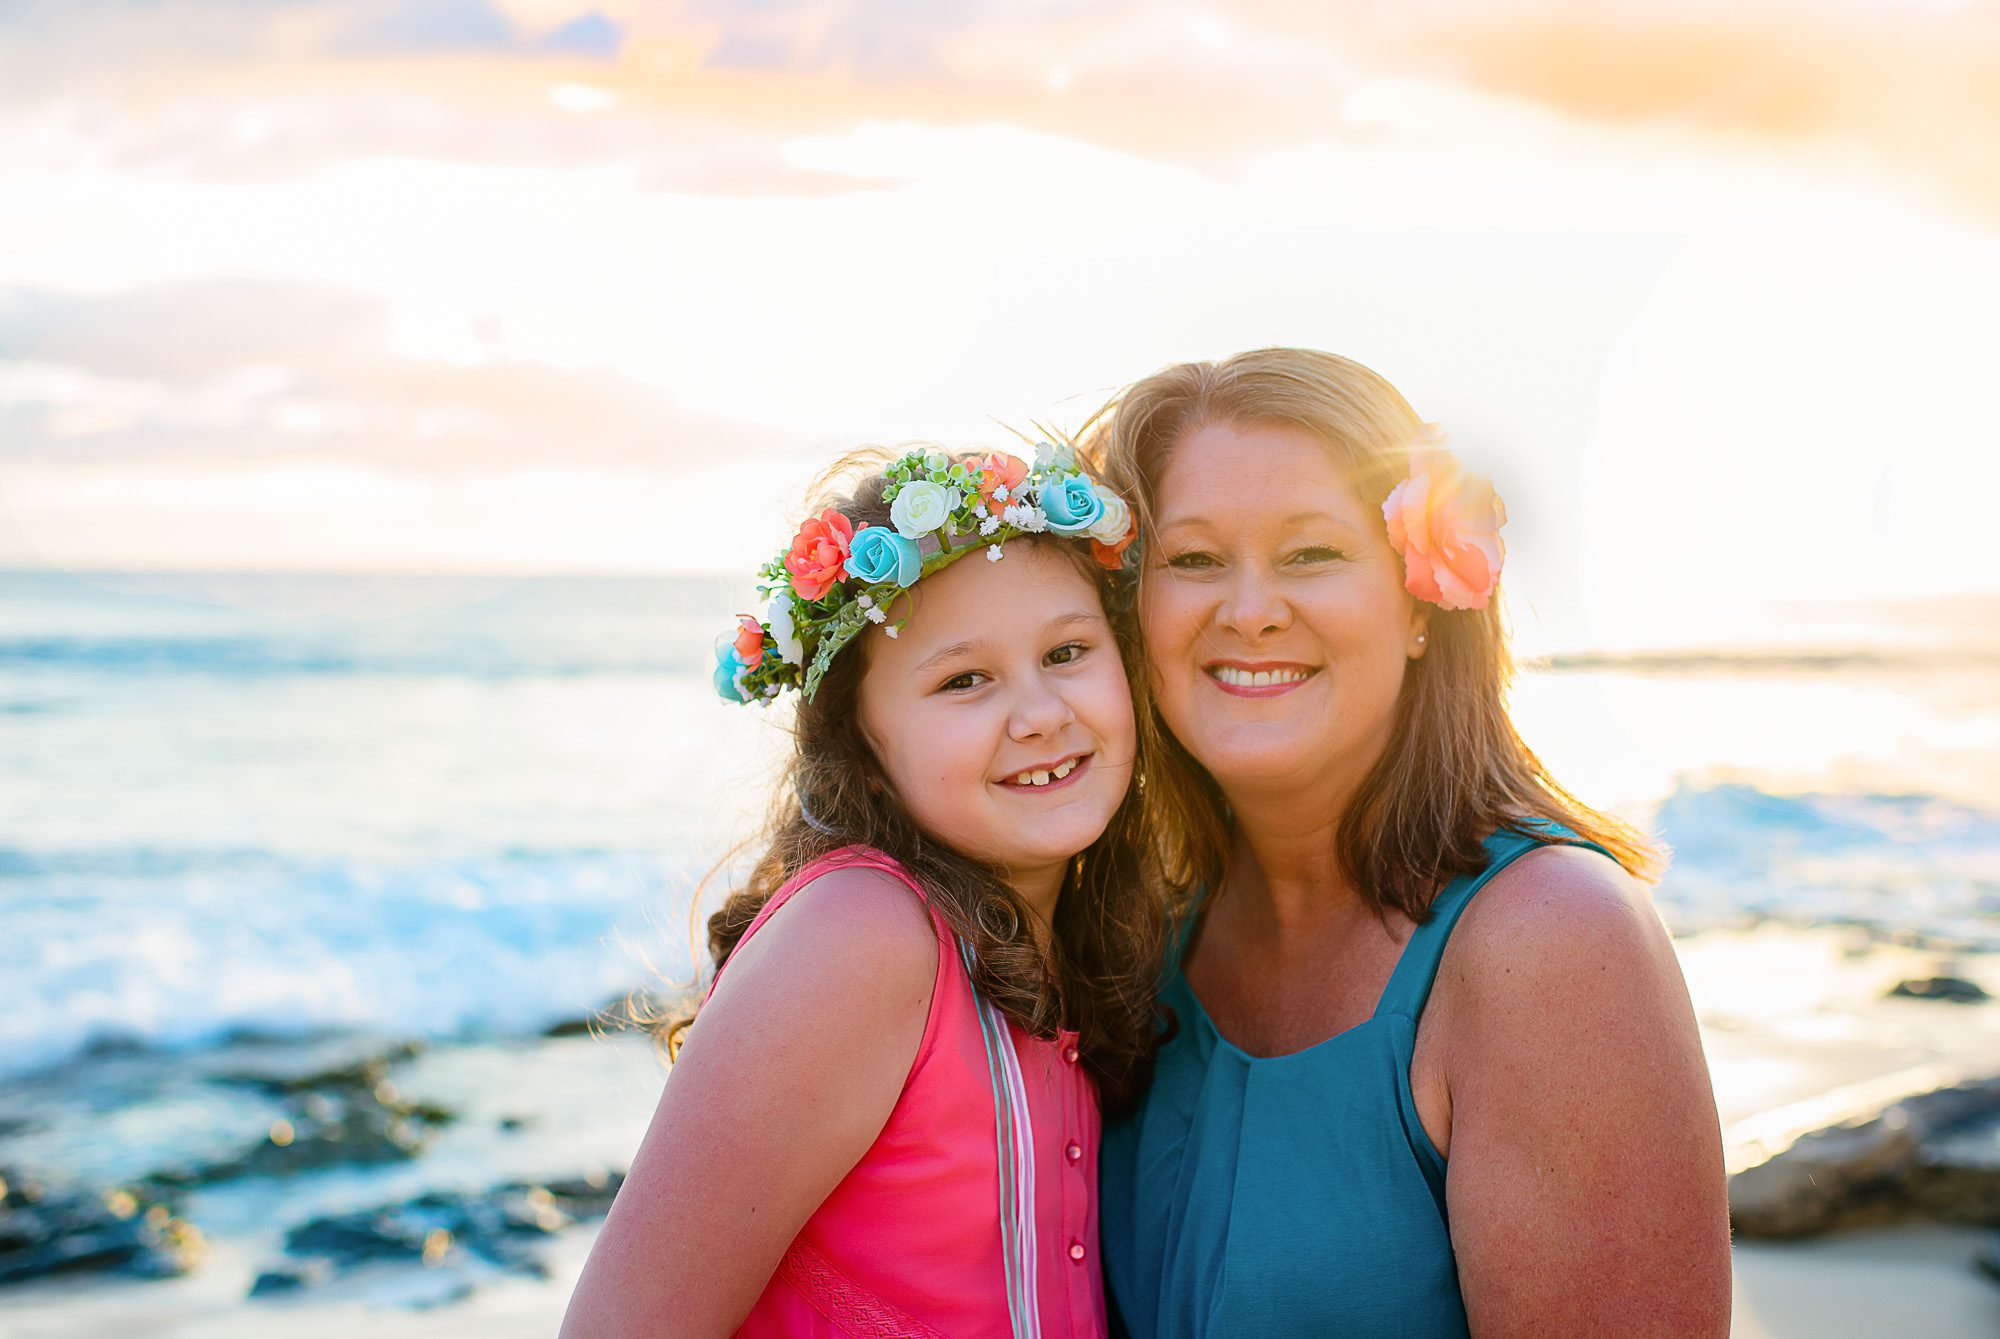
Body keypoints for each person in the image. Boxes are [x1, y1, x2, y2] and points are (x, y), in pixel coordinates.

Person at [1085, 349, 1732, 1338]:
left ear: (1420, 605)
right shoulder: (1127, 933)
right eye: (1193, 559)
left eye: (1309, 553)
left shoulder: (1552, 941)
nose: (1248, 609)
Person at [560, 443, 1162, 1339]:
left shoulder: (1065, 946)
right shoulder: (864, 933)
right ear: (863, 749)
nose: (1040, 712)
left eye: (1067, 651)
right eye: (965, 680)